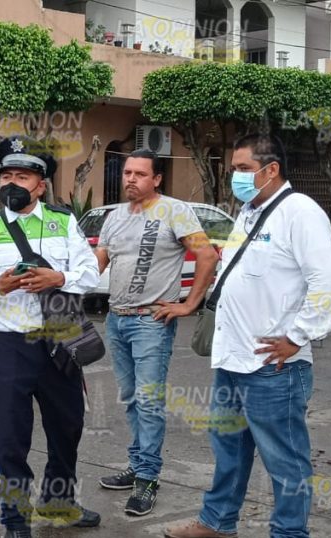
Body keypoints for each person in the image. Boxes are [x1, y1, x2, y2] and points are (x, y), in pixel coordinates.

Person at [163, 134, 331, 538]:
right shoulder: (248, 212)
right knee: (228, 449)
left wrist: (297, 336)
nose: (236, 177)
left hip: (274, 366)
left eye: (244, 169)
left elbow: (328, 283)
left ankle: (289, 533)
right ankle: (217, 522)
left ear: (271, 169)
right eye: (234, 170)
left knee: (286, 460)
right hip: (233, 359)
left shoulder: (300, 212)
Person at [0, 136, 101, 538]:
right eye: (7, 176)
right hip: (9, 345)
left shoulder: (63, 222)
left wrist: (58, 277)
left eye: (22, 176)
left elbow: (90, 273)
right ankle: (15, 520)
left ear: (41, 185)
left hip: (60, 341)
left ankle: (59, 502)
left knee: (68, 427)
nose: (12, 183)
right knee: (10, 437)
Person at [94, 149, 219, 516]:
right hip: (117, 319)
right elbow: (95, 265)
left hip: (151, 321)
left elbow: (207, 256)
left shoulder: (174, 211)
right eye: (127, 173)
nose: (131, 179)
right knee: (132, 399)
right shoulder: (115, 217)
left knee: (148, 402)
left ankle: (148, 478)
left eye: (140, 174)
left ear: (157, 179)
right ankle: (137, 465)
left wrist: (189, 304)